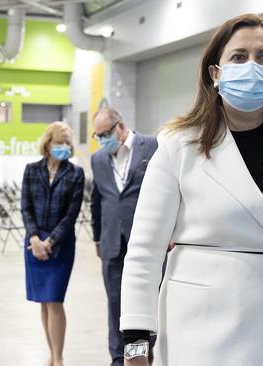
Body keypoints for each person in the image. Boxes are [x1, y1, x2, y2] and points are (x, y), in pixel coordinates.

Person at [120, 14, 263, 366]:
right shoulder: (178, 146)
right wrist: (136, 348)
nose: (252, 65)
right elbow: (144, 254)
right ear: (215, 73)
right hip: (196, 332)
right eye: (239, 56)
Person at [89, 107, 158, 366]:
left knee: (143, 305)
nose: (103, 139)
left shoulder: (151, 146)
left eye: (105, 133)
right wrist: (97, 238)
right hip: (111, 244)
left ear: (120, 126)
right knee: (116, 305)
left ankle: (143, 356)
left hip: (146, 243)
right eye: (98, 135)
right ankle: (119, 360)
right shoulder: (98, 160)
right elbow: (96, 202)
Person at [21, 121, 85, 366]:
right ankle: (51, 353)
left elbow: (72, 214)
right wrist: (35, 239)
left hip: (61, 245)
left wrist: (50, 242)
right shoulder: (31, 170)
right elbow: (25, 207)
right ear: (48, 144)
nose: (66, 147)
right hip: (33, 244)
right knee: (44, 303)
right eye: (61, 142)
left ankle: (58, 359)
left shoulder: (76, 174)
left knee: (55, 300)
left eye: (68, 143)